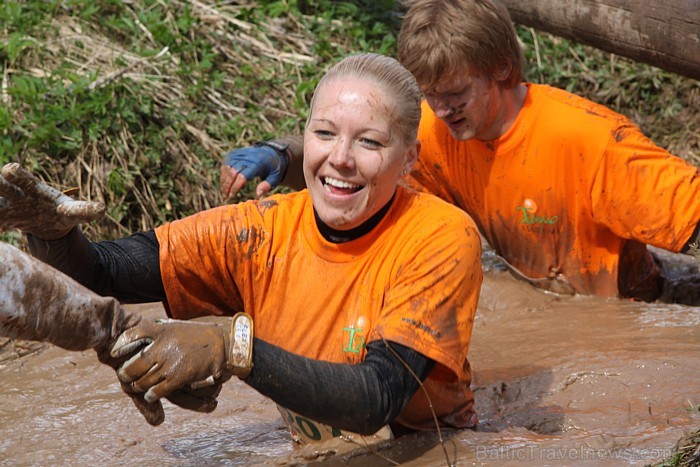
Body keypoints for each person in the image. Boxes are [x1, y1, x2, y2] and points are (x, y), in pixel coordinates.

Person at [0, 53, 483, 444]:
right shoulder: (258, 232)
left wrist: (231, 347)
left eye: (370, 142)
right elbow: (99, 276)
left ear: (409, 159)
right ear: (306, 137)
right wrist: (51, 231)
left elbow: (377, 398)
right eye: (324, 133)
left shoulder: (440, 236)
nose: (340, 159)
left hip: (429, 451)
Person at [219, 0, 700, 304]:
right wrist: (283, 155)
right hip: (539, 295)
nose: (441, 111)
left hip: (631, 311)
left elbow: (691, 215)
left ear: (502, 69)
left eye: (455, 95)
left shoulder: (590, 141)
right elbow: (359, 169)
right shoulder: (435, 129)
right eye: (429, 95)